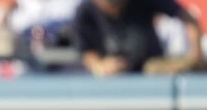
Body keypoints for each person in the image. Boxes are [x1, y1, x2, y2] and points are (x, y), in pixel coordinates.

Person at [72, 0, 204, 75]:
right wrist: (100, 66)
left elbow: (187, 17)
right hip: (111, 83)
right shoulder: (85, 11)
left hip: (152, 74)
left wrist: (196, 56)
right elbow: (85, 50)